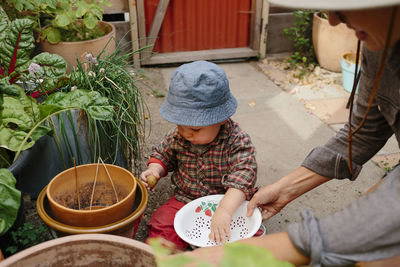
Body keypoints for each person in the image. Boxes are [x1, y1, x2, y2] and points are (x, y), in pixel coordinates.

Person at [180, 1, 400, 266]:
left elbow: (381, 221)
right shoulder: (379, 47)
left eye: (344, 5)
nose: (331, 20)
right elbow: (362, 134)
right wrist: (286, 189)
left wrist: (242, 255)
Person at [140, 60, 257, 250]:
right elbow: (163, 154)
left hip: (225, 198)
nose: (186, 133)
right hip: (185, 199)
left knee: (248, 231)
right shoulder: (179, 136)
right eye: (180, 125)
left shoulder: (237, 141)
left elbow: (243, 178)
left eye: (195, 128)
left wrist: (225, 211)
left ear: (222, 118)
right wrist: (154, 169)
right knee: (162, 225)